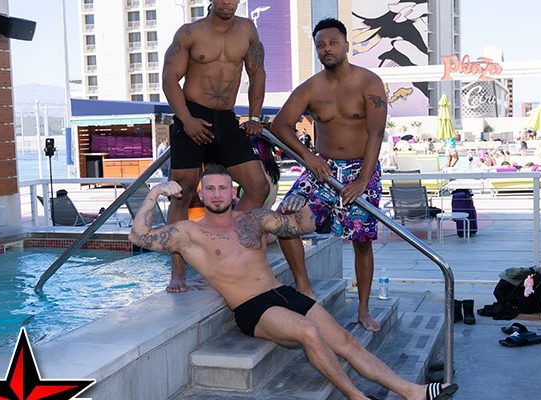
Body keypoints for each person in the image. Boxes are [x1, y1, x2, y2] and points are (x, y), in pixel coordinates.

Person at [128, 165, 459, 400]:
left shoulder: (254, 219)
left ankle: (411, 392)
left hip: (281, 293)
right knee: (308, 332)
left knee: (346, 341)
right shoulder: (189, 233)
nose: (217, 194)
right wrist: (155, 193)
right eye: (210, 188)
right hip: (251, 307)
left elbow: (302, 226)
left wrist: (298, 207)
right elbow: (138, 236)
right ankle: (357, 397)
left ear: (233, 191)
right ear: (202, 192)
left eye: (223, 187)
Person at [270, 18, 387, 332]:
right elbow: (280, 125)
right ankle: (305, 290)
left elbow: (376, 133)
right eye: (320, 45)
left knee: (361, 241)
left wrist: (363, 179)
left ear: (346, 45)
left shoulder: (369, 82)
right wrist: (308, 157)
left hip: (361, 167)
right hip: (322, 169)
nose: (327, 49)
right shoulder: (311, 88)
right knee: (282, 220)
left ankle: (363, 309)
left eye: (333, 42)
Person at [161, 0, 270, 293]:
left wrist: (255, 116)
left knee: (258, 186)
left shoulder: (247, 30)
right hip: (191, 114)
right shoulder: (190, 33)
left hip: (226, 119)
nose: (228, 2)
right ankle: (178, 273)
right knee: (180, 194)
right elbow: (169, 78)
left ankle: (226, 249)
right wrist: (186, 120)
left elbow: (257, 73)